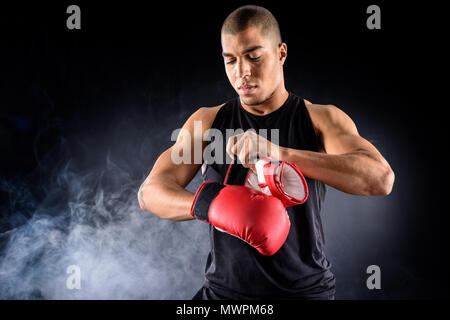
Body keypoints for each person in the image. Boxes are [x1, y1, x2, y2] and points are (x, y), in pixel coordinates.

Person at [137, 5, 395, 300]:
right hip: (223, 296)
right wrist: (213, 205)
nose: (242, 72)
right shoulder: (208, 122)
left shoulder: (319, 119)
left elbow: (380, 179)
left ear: (281, 53)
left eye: (254, 57)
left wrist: (281, 153)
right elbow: (150, 193)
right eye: (230, 60)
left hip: (305, 293)